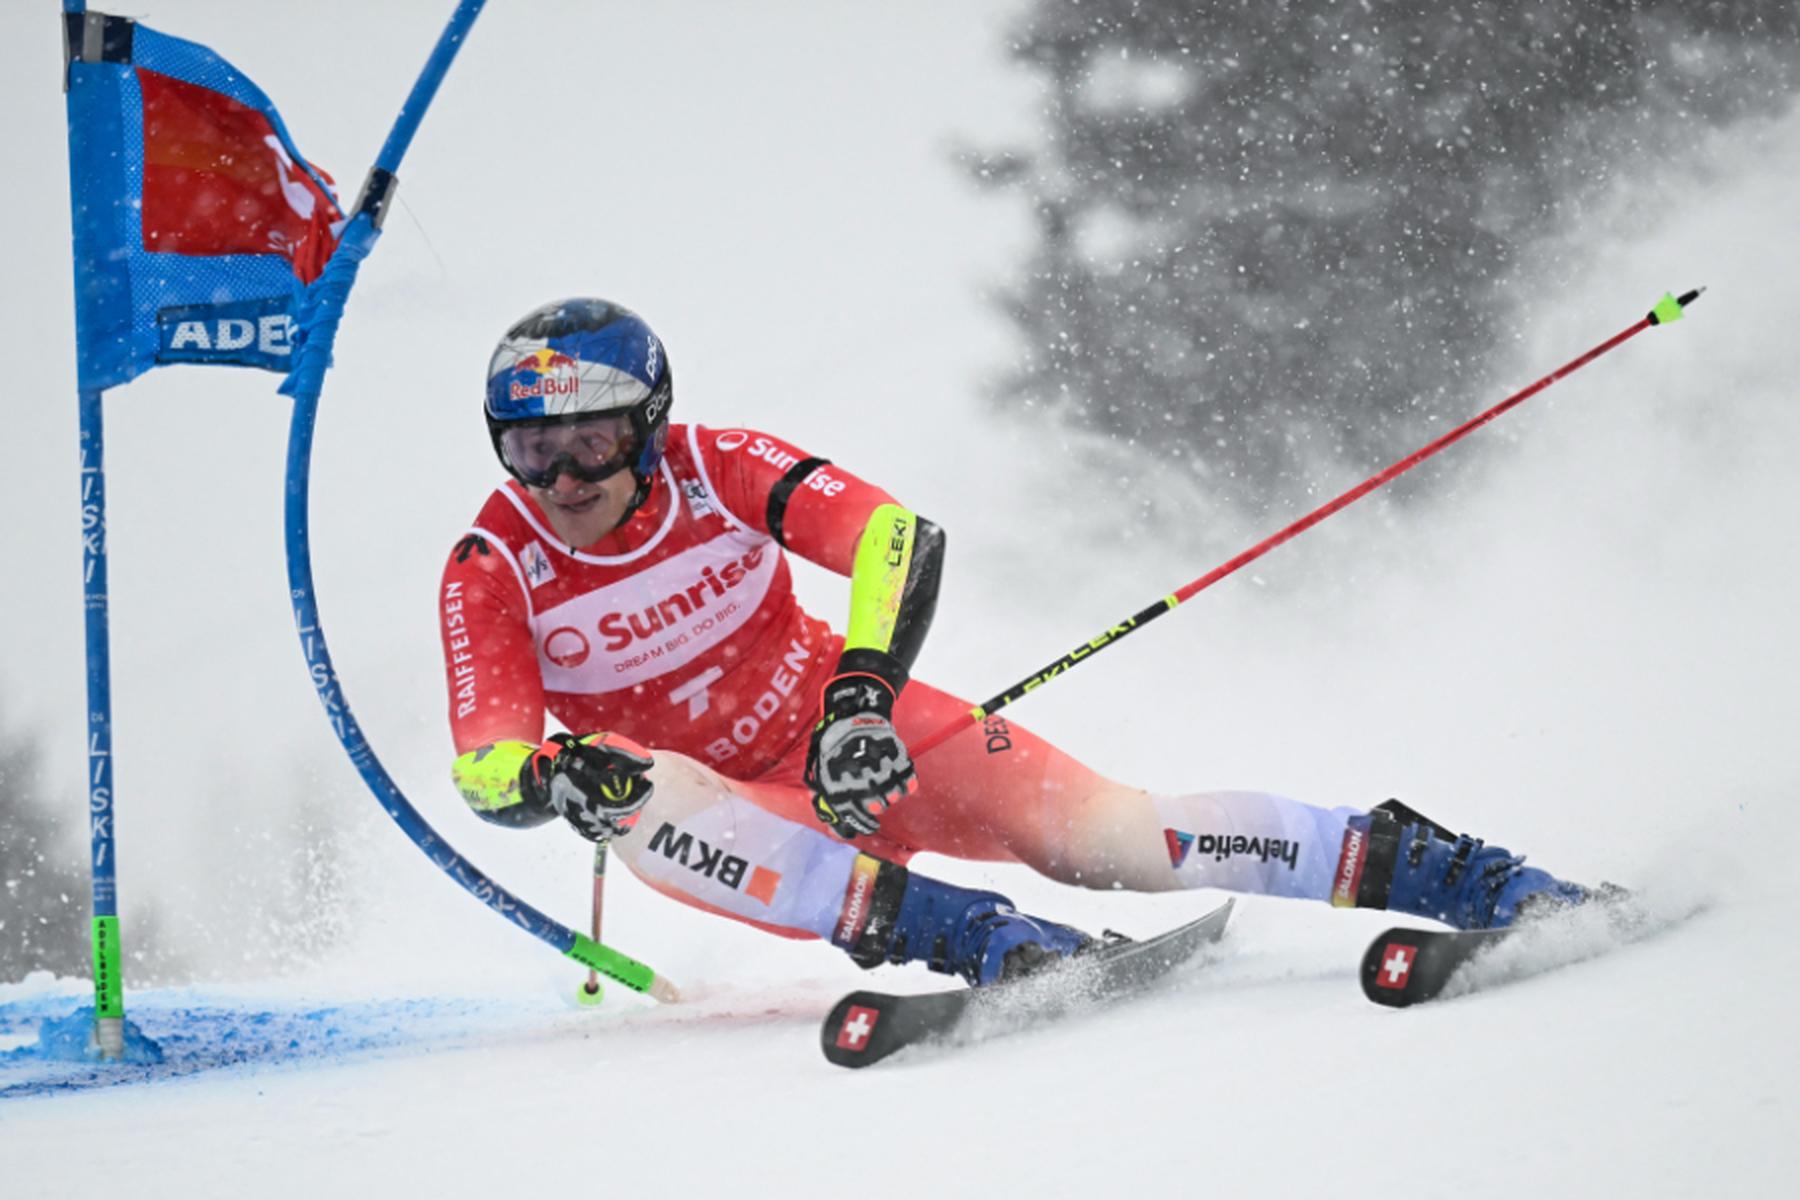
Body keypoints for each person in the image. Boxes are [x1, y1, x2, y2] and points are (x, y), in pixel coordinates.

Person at [439, 297, 1593, 988]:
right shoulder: (493, 566)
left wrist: (857, 704)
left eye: (587, 442)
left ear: (646, 426)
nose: (562, 479)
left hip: (869, 746)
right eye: (528, 450)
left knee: (1115, 839)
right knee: (634, 795)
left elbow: (894, 536)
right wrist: (549, 773)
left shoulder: (717, 463)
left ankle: (1450, 871)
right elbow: (482, 763)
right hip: (740, 822)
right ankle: (985, 945)